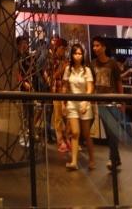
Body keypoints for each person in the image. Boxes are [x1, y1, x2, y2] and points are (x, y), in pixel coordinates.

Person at [91, 36, 124, 172]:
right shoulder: (92, 64)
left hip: (113, 102)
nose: (95, 48)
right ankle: (116, 158)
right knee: (110, 133)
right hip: (101, 103)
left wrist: (122, 101)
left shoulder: (112, 64)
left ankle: (112, 158)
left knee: (112, 132)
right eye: (94, 45)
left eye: (97, 45)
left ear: (104, 47)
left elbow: (119, 83)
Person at [63, 43, 95, 171]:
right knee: (75, 132)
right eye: (75, 53)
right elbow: (65, 86)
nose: (78, 56)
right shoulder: (68, 69)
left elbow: (90, 87)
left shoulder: (86, 70)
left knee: (86, 134)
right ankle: (74, 161)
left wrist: (86, 101)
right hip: (72, 103)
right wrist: (64, 102)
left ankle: (92, 159)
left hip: (84, 102)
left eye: (80, 53)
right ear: (72, 55)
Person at [44, 36, 69, 154]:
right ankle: (60, 141)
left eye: (65, 49)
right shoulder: (51, 60)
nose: (63, 51)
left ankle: (67, 139)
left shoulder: (66, 60)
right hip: (56, 91)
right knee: (58, 116)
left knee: (67, 116)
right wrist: (62, 69)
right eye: (62, 48)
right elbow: (49, 77)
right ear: (57, 48)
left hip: (66, 91)